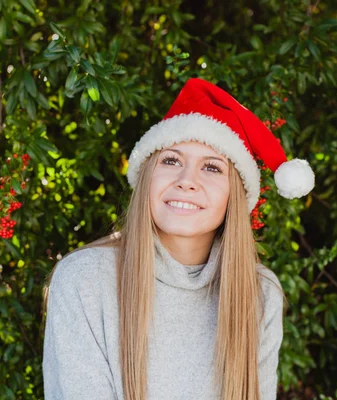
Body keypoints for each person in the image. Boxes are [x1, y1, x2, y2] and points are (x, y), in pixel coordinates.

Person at [42, 78, 315, 400]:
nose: (187, 181)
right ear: (146, 178)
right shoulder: (84, 278)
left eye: (212, 168)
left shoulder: (258, 293)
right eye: (171, 161)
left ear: (235, 196)